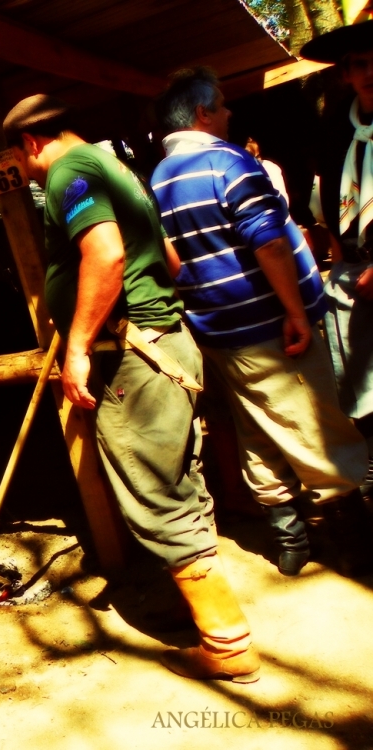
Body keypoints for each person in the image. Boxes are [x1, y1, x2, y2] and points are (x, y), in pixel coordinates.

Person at [4, 94, 259, 683]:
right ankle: (192, 605)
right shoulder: (118, 168)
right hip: (166, 343)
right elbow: (168, 260)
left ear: (32, 144)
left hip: (133, 356)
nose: (31, 169)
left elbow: (107, 253)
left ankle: (227, 643)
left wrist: (76, 345)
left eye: (24, 159)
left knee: (152, 491)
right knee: (178, 477)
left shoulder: (69, 171)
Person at [151, 67, 370, 577]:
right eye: (223, 105)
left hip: (219, 329)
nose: (230, 113)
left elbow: (173, 261)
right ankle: (354, 544)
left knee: (257, 427)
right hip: (269, 322)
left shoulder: (158, 179)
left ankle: (289, 541)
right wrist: (295, 311)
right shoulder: (229, 162)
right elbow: (268, 241)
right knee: (315, 426)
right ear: (203, 114)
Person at [302, 19, 373, 496]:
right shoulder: (335, 130)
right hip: (353, 274)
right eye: (360, 65)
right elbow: (327, 212)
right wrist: (341, 268)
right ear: (346, 73)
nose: (371, 73)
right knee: (361, 390)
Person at [243, 137, 289, 204]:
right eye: (253, 158)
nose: (258, 160)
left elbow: (284, 201)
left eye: (258, 156)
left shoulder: (270, 167)